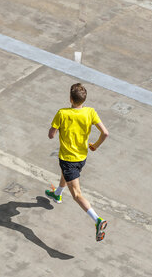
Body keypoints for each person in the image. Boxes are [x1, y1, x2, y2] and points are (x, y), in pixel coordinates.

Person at [46, 83, 109, 241]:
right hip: (82, 157)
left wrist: (57, 129)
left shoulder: (62, 113)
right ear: (84, 99)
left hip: (69, 159)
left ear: (70, 98)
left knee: (76, 194)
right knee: (65, 174)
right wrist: (95, 145)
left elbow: (51, 135)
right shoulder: (90, 112)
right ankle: (57, 194)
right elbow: (105, 133)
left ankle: (97, 220)